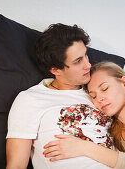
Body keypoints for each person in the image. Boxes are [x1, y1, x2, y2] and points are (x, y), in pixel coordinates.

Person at [6, 24, 115, 169]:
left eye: (85, 55)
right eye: (78, 61)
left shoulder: (98, 92)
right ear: (55, 69)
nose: (88, 65)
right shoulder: (31, 99)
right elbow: (17, 165)